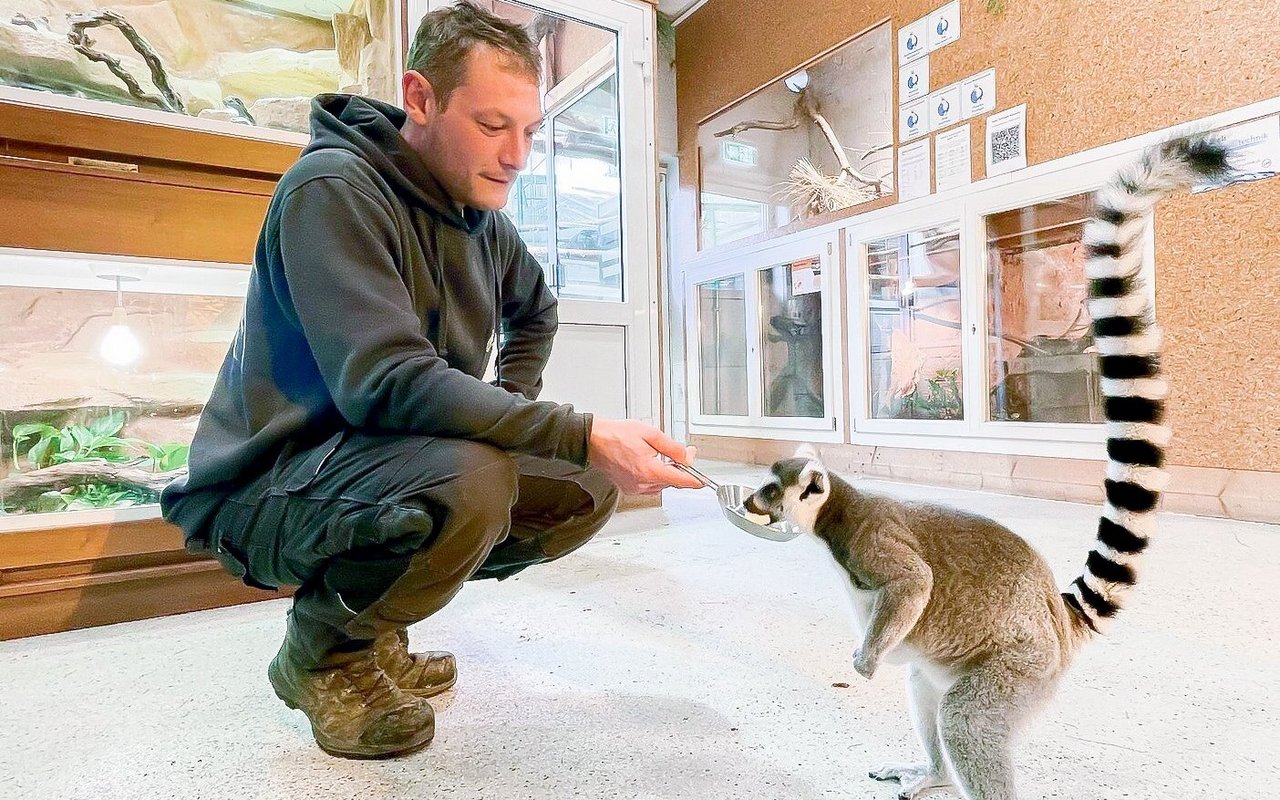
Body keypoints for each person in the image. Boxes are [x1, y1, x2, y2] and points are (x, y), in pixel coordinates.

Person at [160, 0, 701, 760]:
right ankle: (323, 655)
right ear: (420, 98)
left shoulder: (482, 220)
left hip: (380, 465)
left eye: (529, 131)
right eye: (491, 126)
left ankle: (372, 624)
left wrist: (521, 408)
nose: (518, 155)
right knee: (470, 480)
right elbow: (382, 381)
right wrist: (574, 426)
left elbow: (535, 311)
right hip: (266, 485)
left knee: (585, 485)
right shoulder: (334, 190)